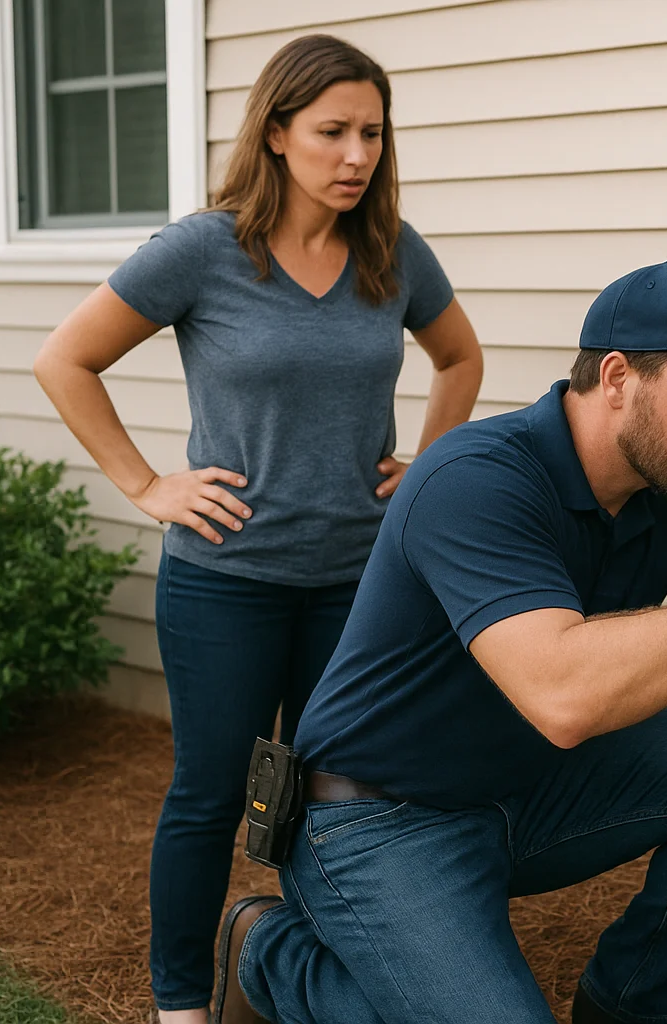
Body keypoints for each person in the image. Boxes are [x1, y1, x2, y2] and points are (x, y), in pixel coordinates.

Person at [212, 259, 667, 1024]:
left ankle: (631, 1004)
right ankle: (270, 953)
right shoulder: (475, 478)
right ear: (619, 376)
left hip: (525, 785)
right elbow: (564, 696)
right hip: (378, 817)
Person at [32, 35, 483, 1024]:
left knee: (342, 798)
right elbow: (65, 360)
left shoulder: (392, 252)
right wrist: (147, 482)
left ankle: (306, 967)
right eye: (332, 132)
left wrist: (422, 474)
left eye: (371, 131)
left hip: (359, 586)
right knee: (210, 795)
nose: (356, 153)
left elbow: (459, 360)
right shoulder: (207, 247)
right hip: (225, 582)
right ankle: (181, 1003)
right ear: (277, 134)